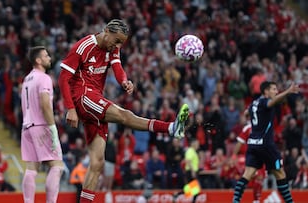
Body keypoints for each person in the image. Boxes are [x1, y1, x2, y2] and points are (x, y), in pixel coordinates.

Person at [58, 19, 189, 203]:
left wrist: (124, 81)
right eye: (117, 40)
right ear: (106, 31)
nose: (117, 45)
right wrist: (70, 108)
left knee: (97, 164)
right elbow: (63, 79)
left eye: (121, 43)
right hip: (83, 96)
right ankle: (170, 128)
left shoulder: (113, 47)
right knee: (124, 115)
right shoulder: (83, 47)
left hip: (95, 99)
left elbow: (117, 66)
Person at [232, 81, 299, 203]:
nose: (276, 91)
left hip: (252, 144)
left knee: (248, 174)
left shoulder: (253, 103)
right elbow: (273, 102)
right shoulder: (264, 102)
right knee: (280, 172)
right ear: (266, 92)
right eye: (273, 89)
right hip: (266, 144)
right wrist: (288, 91)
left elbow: (247, 113)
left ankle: (235, 201)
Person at [21, 46, 64, 203]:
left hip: (26, 126)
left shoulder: (27, 79)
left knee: (31, 168)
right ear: (38, 60)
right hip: (41, 126)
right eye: (46, 56)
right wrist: (52, 129)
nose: (49, 58)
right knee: (57, 165)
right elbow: (45, 104)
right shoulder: (44, 78)